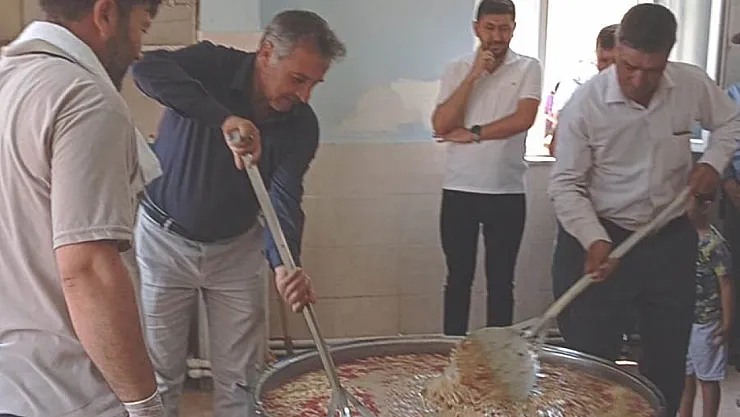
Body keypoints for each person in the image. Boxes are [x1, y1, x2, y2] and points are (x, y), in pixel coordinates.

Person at [130, 9, 346, 416]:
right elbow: (145, 70)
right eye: (297, 79)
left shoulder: (301, 124)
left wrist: (284, 264)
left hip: (237, 250)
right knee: (159, 377)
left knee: (242, 381)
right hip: (163, 242)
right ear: (266, 53)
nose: (304, 96)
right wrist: (225, 118)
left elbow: (283, 195)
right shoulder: (212, 64)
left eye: (313, 85)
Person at [548, 4, 740, 416]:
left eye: (651, 70)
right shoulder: (585, 104)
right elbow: (565, 185)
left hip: (667, 238)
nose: (638, 80)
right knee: (592, 363)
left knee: (667, 361)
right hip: (601, 234)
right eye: (629, 67)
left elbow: (731, 122)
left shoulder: (690, 84)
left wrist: (712, 163)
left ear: (668, 55)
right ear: (617, 49)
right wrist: (594, 238)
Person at [0, 0, 167, 415]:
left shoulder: (8, 81)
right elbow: (88, 270)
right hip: (65, 395)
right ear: (105, 14)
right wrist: (146, 406)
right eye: (142, 28)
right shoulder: (85, 98)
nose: (138, 51)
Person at [431, 0, 542, 335]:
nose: (497, 36)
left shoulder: (528, 67)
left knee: (501, 281)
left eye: (504, 28)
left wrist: (475, 133)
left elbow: (524, 118)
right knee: (458, 278)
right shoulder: (457, 68)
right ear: (476, 28)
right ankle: (453, 351)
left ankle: (497, 355)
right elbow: (441, 125)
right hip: (459, 190)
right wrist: (473, 75)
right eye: (490, 27)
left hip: (507, 191)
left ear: (514, 29)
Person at [678, 198, 734, 417]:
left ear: (706, 206)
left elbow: (726, 284)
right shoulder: (682, 239)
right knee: (685, 377)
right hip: (684, 318)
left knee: (708, 378)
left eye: (690, 203)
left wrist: (727, 323)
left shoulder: (715, 244)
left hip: (707, 322)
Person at [547, 23, 618, 156]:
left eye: (615, 62)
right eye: (604, 61)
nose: (609, 70)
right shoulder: (582, 98)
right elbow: (556, 148)